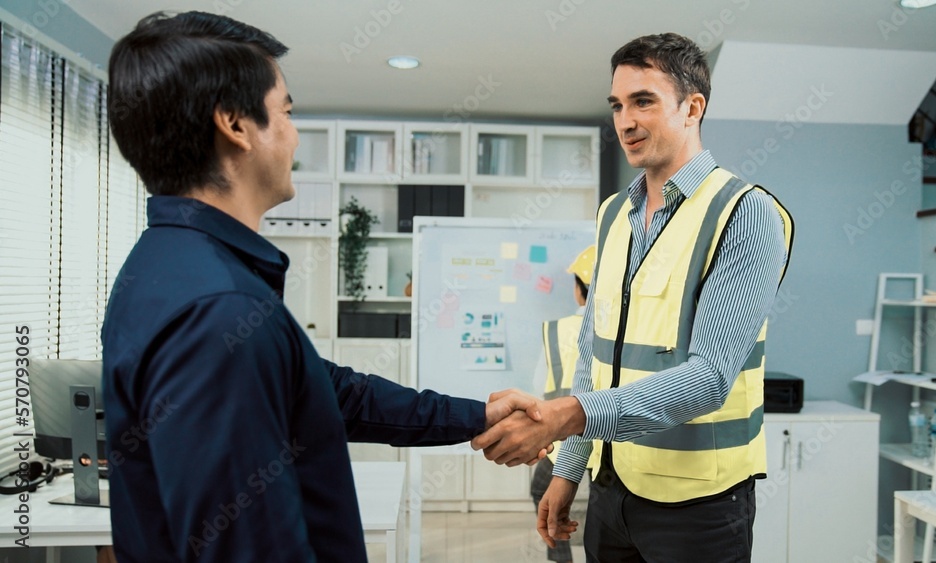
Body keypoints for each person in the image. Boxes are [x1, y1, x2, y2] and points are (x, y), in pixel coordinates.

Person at [101, 12, 544, 562]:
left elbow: (331, 393)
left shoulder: (168, 266)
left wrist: (475, 415)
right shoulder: (217, 311)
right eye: (285, 111)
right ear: (235, 125)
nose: (293, 133)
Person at [472, 32, 794, 561]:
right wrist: (569, 469)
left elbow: (710, 379)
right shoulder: (613, 215)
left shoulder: (744, 213)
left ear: (693, 108)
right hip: (610, 493)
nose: (625, 121)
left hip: (699, 508)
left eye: (643, 101)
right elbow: (592, 357)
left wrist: (568, 416)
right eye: (618, 104)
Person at [529, 245, 595, 563]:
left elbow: (538, 385)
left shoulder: (556, 329)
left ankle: (562, 557)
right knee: (601, 504)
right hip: (613, 436)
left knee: (543, 492)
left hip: (564, 434)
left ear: (581, 289)